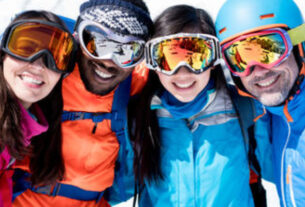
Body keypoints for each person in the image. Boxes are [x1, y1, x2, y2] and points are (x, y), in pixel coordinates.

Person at [120, 5, 273, 207]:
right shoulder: (139, 119)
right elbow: (115, 189)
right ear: (152, 63)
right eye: (168, 58)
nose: (183, 73)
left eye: (196, 56)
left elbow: (280, 168)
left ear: (213, 60)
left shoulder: (246, 109)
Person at [12, 0, 153, 206]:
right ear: (78, 36)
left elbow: (186, 81)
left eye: (127, 51)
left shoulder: (135, 84)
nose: (108, 61)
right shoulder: (47, 69)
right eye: (97, 42)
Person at [215, 0, 305, 206]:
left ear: (298, 45)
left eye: (270, 49)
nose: (259, 70)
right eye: (240, 58)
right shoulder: (271, 118)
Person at [0, 10, 77, 207]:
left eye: (55, 56)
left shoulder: (26, 128)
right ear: (3, 54)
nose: (38, 64)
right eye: (25, 47)